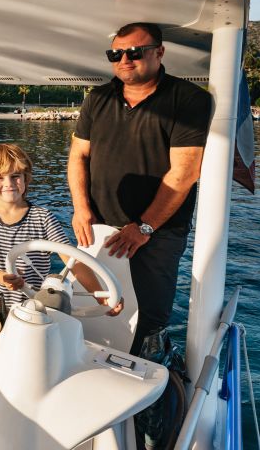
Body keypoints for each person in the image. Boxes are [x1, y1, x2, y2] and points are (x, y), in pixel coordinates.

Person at [67, 22, 213, 355]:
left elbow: (185, 173)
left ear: (159, 52)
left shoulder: (188, 100)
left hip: (156, 234)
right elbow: (78, 155)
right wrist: (80, 208)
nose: (124, 60)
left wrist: (144, 227)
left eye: (134, 52)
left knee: (147, 320)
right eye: (115, 54)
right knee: (89, 311)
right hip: (98, 227)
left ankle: (149, 392)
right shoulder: (98, 98)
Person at [0, 143, 119, 312]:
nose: (9, 183)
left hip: (33, 307)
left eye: (15, 176)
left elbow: (73, 261)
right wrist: (2, 277)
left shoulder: (43, 218)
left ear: (26, 178)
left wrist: (102, 297)